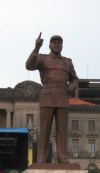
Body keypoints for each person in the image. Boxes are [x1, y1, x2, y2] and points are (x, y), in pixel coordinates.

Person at [26, 33, 79, 163]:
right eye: (54, 42)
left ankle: (62, 156)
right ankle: (41, 157)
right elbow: (29, 66)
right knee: (45, 129)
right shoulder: (42, 58)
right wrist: (36, 48)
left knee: (62, 129)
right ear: (49, 45)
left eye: (59, 43)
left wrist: (71, 87)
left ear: (62, 46)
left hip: (62, 96)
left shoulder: (67, 62)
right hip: (47, 95)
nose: (57, 45)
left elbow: (74, 78)